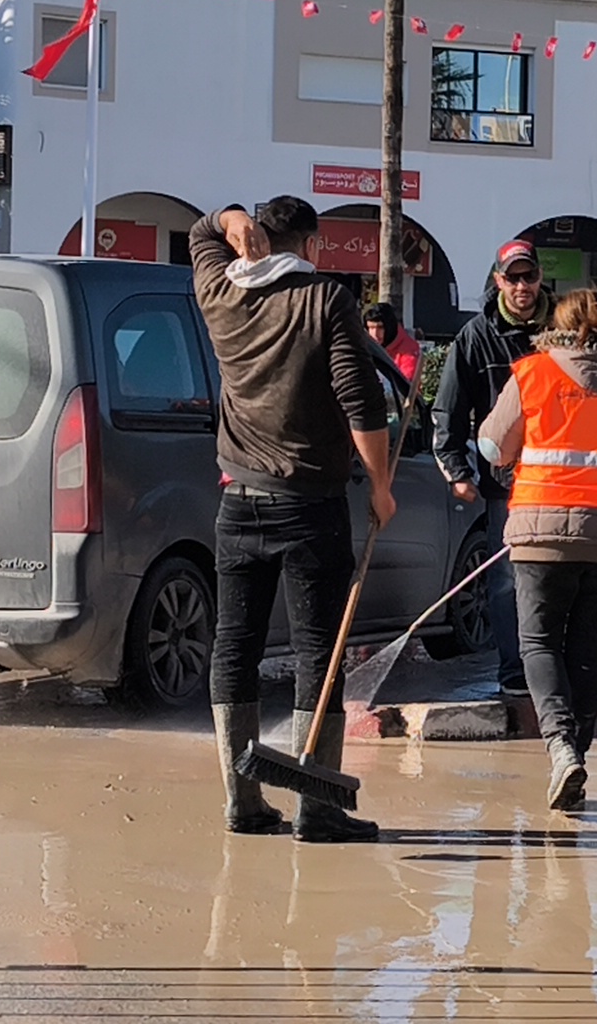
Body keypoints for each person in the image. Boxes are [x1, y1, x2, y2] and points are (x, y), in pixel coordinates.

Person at [190, 197, 393, 844]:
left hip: (237, 503)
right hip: (310, 506)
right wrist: (381, 486)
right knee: (318, 654)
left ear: (254, 236)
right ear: (311, 245)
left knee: (236, 647)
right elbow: (361, 401)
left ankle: (242, 803)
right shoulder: (325, 299)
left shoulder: (220, 291)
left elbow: (201, 232)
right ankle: (317, 810)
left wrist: (229, 217)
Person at [477, 289, 597, 811]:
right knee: (588, 650)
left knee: (539, 643)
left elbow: (493, 447)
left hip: (540, 535)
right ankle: (575, 756)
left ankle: (561, 748)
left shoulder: (533, 373)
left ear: (556, 324)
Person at [435, 240, 548, 697]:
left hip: (560, 482)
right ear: (499, 281)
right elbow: (449, 409)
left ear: (540, 277)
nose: (522, 286)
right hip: (507, 483)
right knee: (506, 580)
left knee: (555, 579)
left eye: (529, 276)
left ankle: (552, 667)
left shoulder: (562, 330)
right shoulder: (476, 336)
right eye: (512, 278)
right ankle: (515, 672)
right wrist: (456, 470)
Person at [364, 303, 423, 383]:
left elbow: (406, 383)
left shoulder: (409, 349)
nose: (375, 334)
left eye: (380, 327)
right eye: (371, 327)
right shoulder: (366, 346)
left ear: (390, 327)